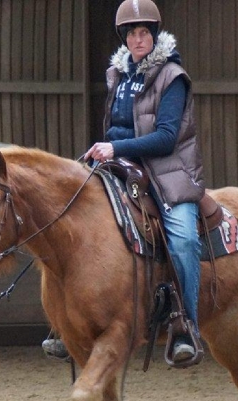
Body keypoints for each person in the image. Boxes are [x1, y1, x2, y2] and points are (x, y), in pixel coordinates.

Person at [86, 0, 204, 363]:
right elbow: (116, 126)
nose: (138, 39)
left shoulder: (172, 77)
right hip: (124, 166)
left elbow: (167, 137)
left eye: (144, 33)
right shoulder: (118, 76)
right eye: (132, 33)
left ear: (154, 35)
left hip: (169, 172)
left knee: (183, 239)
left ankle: (186, 326)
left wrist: (114, 147)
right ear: (124, 38)